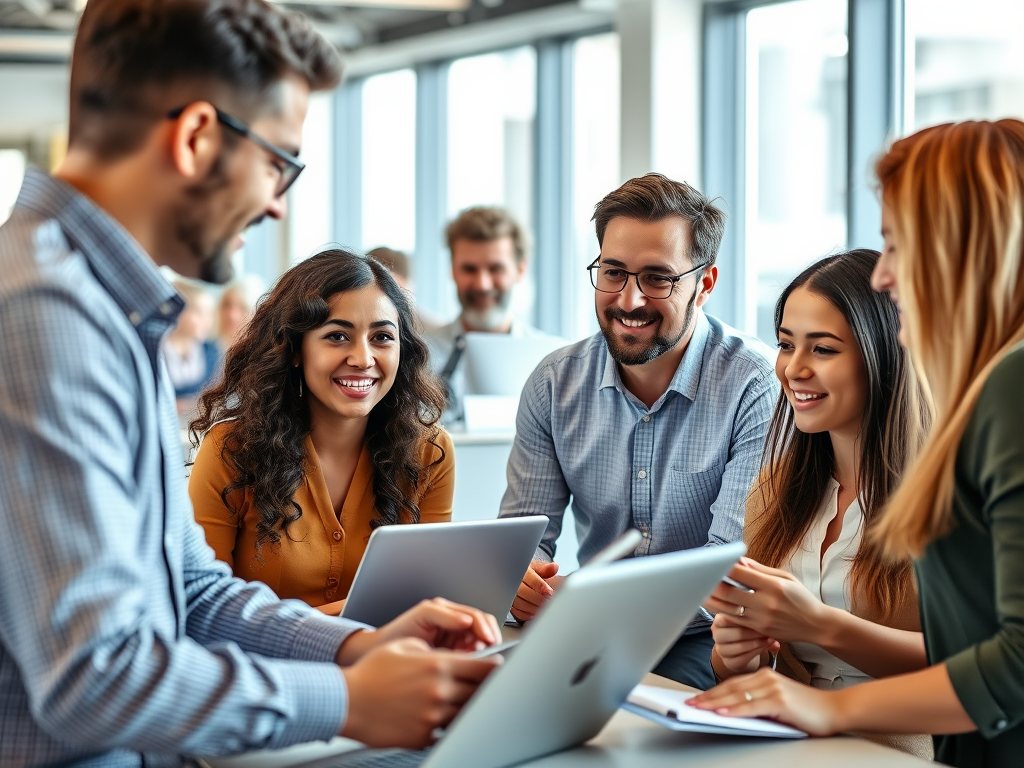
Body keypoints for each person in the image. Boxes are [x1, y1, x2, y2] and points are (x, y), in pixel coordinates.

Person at [0, 2, 500, 765]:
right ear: (197, 137)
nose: (275, 204)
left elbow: (190, 591)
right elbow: (94, 677)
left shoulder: (98, 305)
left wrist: (357, 649)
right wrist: (350, 702)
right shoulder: (46, 315)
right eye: (279, 163)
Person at [689, 120, 1024, 767]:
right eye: (786, 344)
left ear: (964, 243)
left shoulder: (1009, 385)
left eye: (898, 246)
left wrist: (829, 703)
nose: (885, 276)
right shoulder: (783, 484)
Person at [499, 173, 778, 689]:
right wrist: (522, 580)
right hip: (587, 630)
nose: (628, 300)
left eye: (658, 278)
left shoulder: (755, 385)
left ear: (705, 284)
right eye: (614, 272)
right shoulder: (554, 384)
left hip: (704, 639)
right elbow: (525, 539)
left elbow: (729, 569)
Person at [704, 249, 931, 758]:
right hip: (783, 743)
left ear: (883, 354)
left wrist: (819, 625)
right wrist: (737, 658)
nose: (793, 369)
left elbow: (978, 666)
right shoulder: (773, 490)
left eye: (823, 349)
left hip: (898, 749)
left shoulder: (951, 492)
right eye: (786, 344)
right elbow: (761, 670)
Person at [189, 249, 453, 614]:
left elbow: (428, 592)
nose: (363, 359)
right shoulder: (230, 449)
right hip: (269, 668)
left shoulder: (430, 451)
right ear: (295, 349)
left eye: (382, 338)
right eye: (337, 337)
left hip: (393, 662)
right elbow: (202, 609)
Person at [424, 205, 554, 422]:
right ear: (453, 270)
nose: (482, 284)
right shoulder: (418, 358)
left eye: (496, 268)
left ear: (520, 270)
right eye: (469, 269)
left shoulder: (553, 360)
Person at [164, 279, 221, 411]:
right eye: (199, 312)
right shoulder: (156, 350)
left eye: (210, 313)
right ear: (178, 311)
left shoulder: (211, 351)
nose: (207, 321)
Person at [215, 272, 265, 355]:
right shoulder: (204, 352)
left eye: (243, 307)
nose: (232, 315)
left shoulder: (263, 355)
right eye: (227, 305)